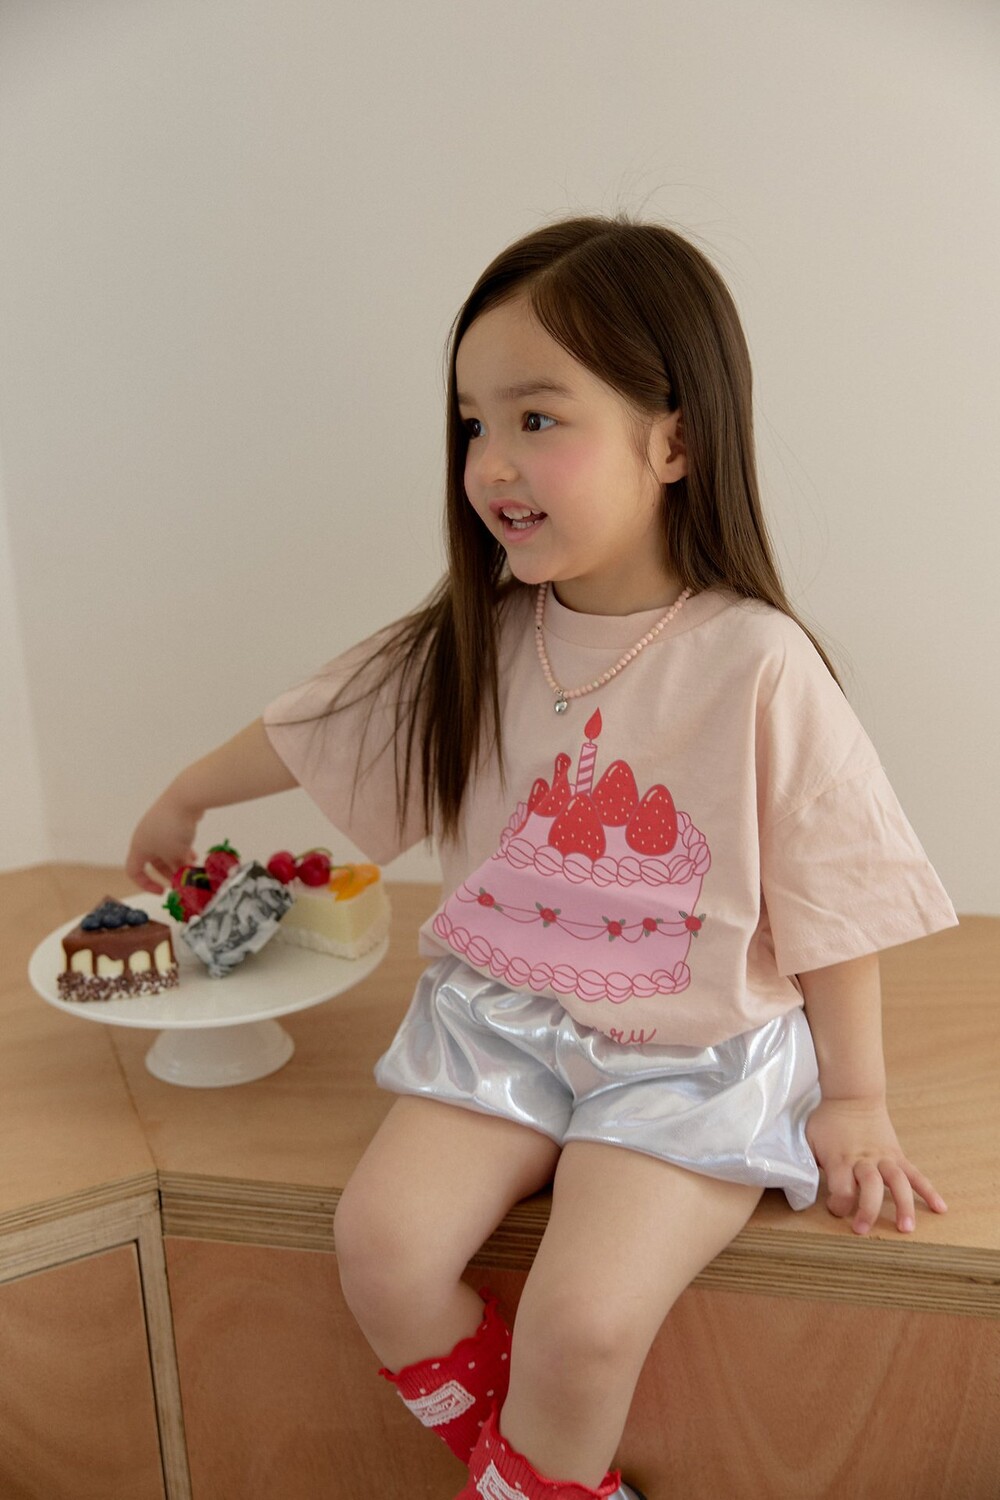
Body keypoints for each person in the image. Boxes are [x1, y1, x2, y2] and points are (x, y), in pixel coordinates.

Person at [127, 216, 957, 1499]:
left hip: (693, 1054)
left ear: (673, 442)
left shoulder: (755, 662)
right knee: (381, 1247)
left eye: (536, 417)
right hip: (500, 1022)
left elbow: (833, 892)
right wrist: (184, 796)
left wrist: (854, 1097)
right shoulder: (478, 636)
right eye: (473, 424)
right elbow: (313, 725)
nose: (492, 462)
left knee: (583, 1321)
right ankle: (525, 1476)